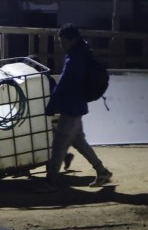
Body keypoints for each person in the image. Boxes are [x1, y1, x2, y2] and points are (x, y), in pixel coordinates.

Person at [40, 24, 112, 191]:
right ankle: (102, 171)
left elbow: (64, 84)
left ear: (72, 40)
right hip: (77, 105)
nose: (61, 45)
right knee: (78, 141)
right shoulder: (82, 53)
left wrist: (52, 105)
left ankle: (50, 181)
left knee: (59, 145)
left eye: (63, 41)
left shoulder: (74, 59)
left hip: (71, 107)